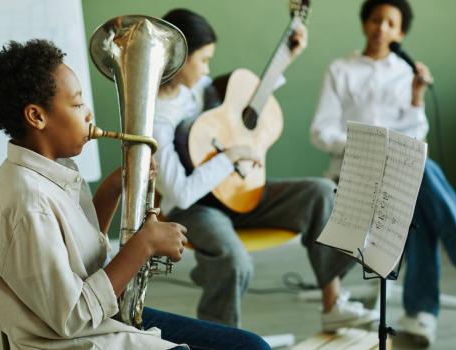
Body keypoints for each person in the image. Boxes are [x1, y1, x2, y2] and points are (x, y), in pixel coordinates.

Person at [0, 38, 273, 350]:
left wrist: (112, 188)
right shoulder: (29, 203)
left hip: (105, 321)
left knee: (251, 345)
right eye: (77, 104)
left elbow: (81, 257)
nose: (88, 114)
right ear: (36, 117)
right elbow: (72, 318)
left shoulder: (48, 171)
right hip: (86, 340)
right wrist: (144, 245)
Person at [153, 8, 378, 332]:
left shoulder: (199, 87)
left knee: (321, 192)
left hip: (236, 191)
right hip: (196, 209)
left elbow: (239, 109)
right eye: (203, 59)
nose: (208, 68)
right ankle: (220, 338)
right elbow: (182, 193)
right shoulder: (157, 117)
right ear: (180, 56)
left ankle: (333, 304)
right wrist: (229, 157)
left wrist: (287, 57)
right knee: (235, 261)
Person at [310, 0, 456, 346]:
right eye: (375, 20)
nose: (381, 28)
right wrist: (372, 146)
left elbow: (416, 136)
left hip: (400, 173)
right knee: (421, 177)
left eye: (390, 23)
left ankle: (421, 313)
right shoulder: (341, 70)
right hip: (352, 173)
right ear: (365, 23)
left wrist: (417, 96)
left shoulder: (405, 74)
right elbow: (320, 132)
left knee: (419, 181)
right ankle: (429, 302)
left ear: (401, 33)